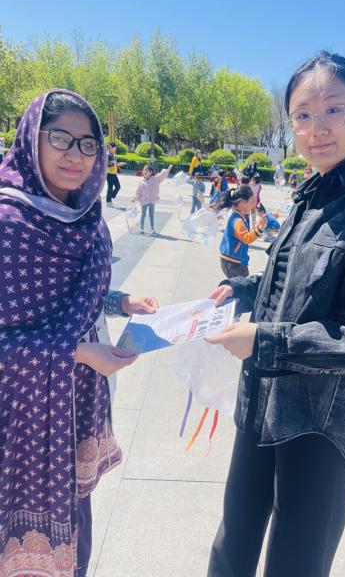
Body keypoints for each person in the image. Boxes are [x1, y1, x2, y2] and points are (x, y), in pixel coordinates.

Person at [205, 51, 345, 577]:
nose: (318, 127)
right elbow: (294, 283)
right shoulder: (312, 194)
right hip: (263, 400)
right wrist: (241, 291)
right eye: (303, 115)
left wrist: (264, 340)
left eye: (334, 109)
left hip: (322, 426)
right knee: (233, 541)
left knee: (295, 561)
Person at [0, 90, 160, 577]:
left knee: (75, 535)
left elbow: (75, 299)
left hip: (74, 407)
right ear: (32, 140)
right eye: (60, 139)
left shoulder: (88, 220)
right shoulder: (8, 223)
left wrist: (121, 302)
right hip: (18, 423)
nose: (75, 155)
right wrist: (75, 353)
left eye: (88, 144)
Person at [218, 185, 267, 278]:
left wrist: (260, 224)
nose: (254, 204)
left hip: (234, 259)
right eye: (252, 201)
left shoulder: (243, 215)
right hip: (233, 262)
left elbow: (249, 234)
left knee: (239, 284)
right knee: (242, 285)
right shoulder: (237, 221)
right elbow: (247, 238)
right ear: (242, 202)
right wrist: (260, 228)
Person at [132, 163, 172, 234]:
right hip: (144, 201)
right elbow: (138, 192)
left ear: (151, 172)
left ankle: (152, 228)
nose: (144, 172)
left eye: (146, 171)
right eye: (144, 170)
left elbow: (162, 175)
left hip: (152, 201)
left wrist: (168, 169)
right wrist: (134, 198)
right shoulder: (141, 182)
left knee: (151, 215)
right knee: (143, 215)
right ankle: (141, 228)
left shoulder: (155, 179)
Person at [105, 142, 126, 206]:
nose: (115, 149)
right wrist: (114, 163)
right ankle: (108, 202)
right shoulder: (108, 155)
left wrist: (119, 164)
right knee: (110, 188)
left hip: (114, 173)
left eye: (116, 148)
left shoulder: (114, 155)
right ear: (110, 147)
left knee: (118, 187)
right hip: (109, 173)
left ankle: (110, 197)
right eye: (114, 148)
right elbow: (107, 164)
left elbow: (115, 164)